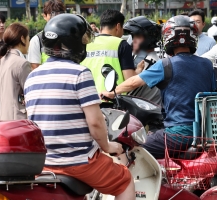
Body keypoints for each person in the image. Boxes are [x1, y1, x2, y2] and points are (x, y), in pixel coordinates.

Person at [24, 14, 135, 199]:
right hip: (78, 161)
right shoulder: (80, 73)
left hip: (44, 162)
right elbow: (96, 123)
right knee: (125, 182)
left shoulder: (32, 77)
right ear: (73, 43)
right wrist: (107, 147)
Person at [101, 15, 215, 159]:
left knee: (132, 147)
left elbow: (134, 81)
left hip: (178, 134)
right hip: (204, 132)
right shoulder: (207, 64)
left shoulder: (166, 64)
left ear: (167, 38)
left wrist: (112, 92)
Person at [80, 9, 136, 93]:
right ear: (118, 26)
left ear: (101, 26)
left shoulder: (86, 43)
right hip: (113, 101)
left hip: (88, 99)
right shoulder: (121, 44)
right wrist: (138, 71)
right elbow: (130, 81)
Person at [123, 16, 162, 105]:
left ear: (149, 38)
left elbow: (132, 84)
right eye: (133, 37)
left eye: (137, 37)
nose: (133, 41)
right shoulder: (137, 57)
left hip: (148, 112)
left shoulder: (152, 61)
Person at [0, 23, 31, 120]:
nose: (29, 43)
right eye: (28, 39)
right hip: (18, 118)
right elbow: (30, 94)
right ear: (22, 39)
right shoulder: (22, 63)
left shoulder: (1, 60)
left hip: (3, 116)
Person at [27, 0, 65, 70]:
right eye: (52, 14)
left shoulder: (69, 37)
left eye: (59, 14)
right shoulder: (37, 40)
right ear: (44, 16)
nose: (56, 18)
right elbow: (35, 68)